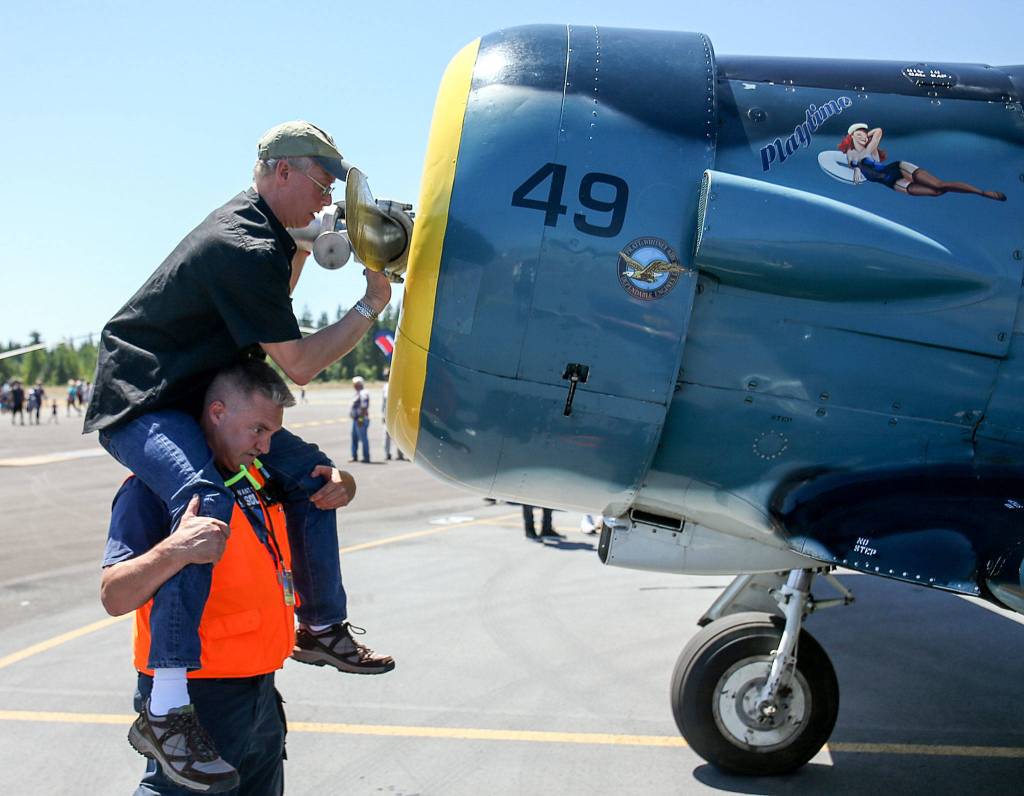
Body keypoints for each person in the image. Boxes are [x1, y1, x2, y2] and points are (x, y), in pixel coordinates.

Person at [84, 121, 396, 742]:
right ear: (283, 172)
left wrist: (305, 248)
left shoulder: (267, 236)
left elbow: (263, 317)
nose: (329, 200)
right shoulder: (243, 244)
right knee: (207, 504)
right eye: (322, 182)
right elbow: (298, 363)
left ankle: (321, 626)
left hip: (199, 395)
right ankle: (166, 709)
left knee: (313, 475)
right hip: (143, 400)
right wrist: (371, 304)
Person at [102, 361, 318, 793]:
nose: (265, 444)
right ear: (217, 412)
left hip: (260, 692)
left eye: (272, 433)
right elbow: (114, 594)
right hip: (196, 699)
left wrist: (338, 480)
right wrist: (175, 550)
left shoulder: (253, 479)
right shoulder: (152, 489)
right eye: (257, 429)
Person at [839, 123, 1006, 200]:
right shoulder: (852, 153)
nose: (862, 135)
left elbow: (879, 131)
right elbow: (851, 161)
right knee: (936, 193)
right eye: (857, 133)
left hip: (897, 169)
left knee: (939, 185)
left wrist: (867, 136)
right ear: (851, 137)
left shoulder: (870, 150)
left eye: (863, 132)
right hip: (891, 183)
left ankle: (982, 193)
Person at [381, 376, 405, 461]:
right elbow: (384, 403)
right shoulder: (386, 386)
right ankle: (387, 453)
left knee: (399, 434)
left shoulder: (399, 386)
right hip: (388, 413)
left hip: (397, 415)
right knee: (386, 435)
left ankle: (400, 453)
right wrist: (383, 415)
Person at [350, 376, 371, 463]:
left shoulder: (363, 393)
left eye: (355, 384)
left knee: (363, 438)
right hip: (356, 420)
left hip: (360, 419)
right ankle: (354, 456)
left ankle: (366, 457)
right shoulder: (357, 393)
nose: (354, 386)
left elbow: (364, 407)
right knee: (354, 438)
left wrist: (361, 419)